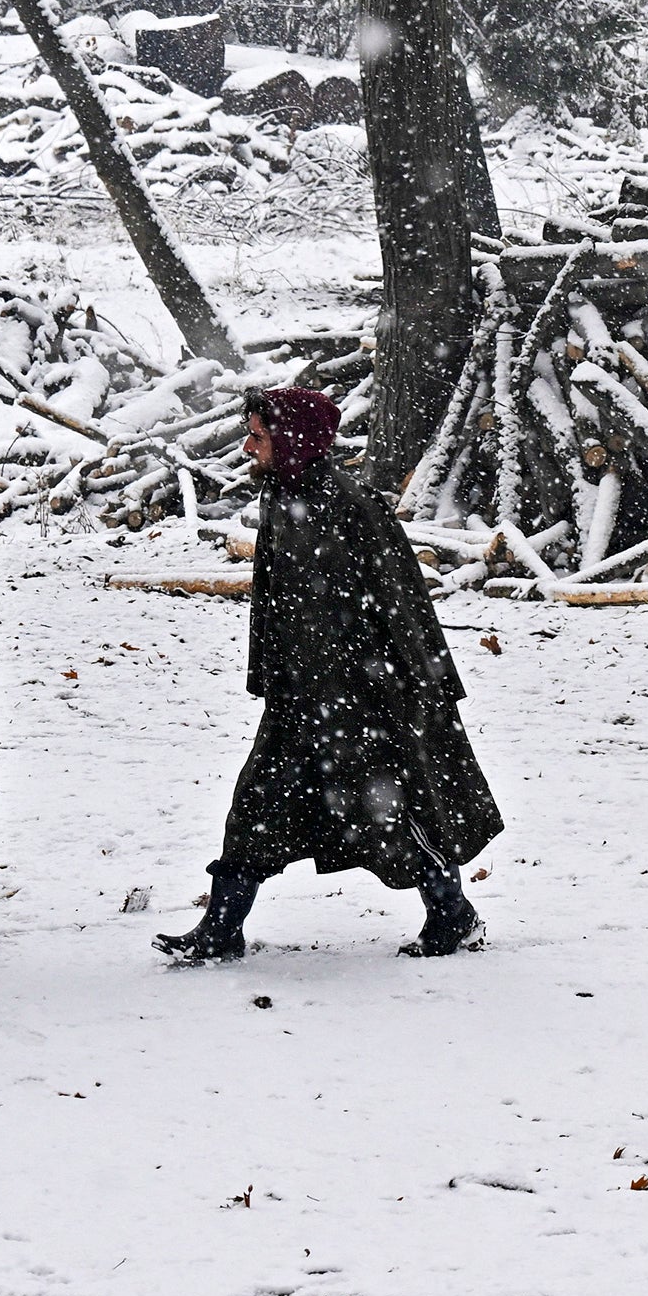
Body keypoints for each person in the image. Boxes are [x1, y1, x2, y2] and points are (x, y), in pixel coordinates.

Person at [156, 386, 501, 964]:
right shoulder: (281, 496)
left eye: (258, 436)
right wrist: (273, 673)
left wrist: (413, 692)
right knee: (256, 809)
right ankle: (221, 929)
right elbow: (276, 599)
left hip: (365, 699)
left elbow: (403, 605)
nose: (247, 446)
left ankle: (453, 915)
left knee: (395, 813)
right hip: (300, 698)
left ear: (290, 441)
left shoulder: (352, 507)